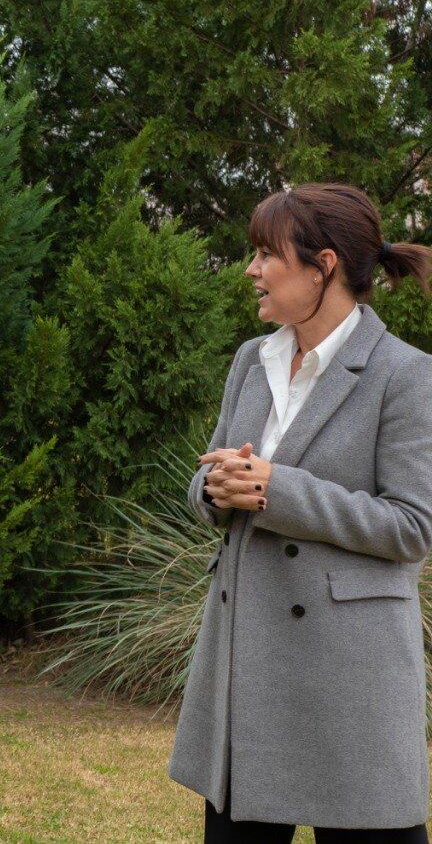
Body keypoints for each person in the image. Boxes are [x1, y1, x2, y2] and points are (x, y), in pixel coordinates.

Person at [170, 183, 432, 841]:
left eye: (265, 254)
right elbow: (213, 482)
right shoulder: (251, 362)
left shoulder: (405, 375)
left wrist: (274, 491)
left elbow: (412, 526)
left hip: (351, 685)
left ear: (324, 265)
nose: (251, 270)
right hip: (246, 673)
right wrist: (214, 489)